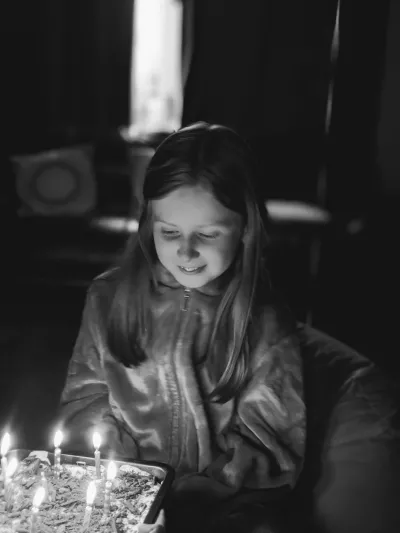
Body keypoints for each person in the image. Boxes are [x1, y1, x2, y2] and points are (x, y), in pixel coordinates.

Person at [58, 122, 306, 533]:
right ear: (148, 223)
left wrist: (205, 489)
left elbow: (272, 439)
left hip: (222, 507)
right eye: (169, 232)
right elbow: (85, 397)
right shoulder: (107, 298)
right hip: (119, 496)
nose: (185, 251)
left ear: (245, 229)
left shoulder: (264, 321)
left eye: (207, 234)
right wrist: (129, 476)